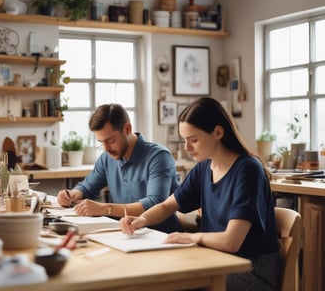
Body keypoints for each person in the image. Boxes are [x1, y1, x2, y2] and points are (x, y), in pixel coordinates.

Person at [120, 97, 282, 291]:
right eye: (184, 140)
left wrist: (193, 238)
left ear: (218, 133)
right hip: (217, 261)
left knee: (168, 284)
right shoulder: (204, 168)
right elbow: (167, 206)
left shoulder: (248, 170)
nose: (187, 147)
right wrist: (141, 220)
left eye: (193, 140)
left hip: (252, 272)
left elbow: (231, 241)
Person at [57, 103, 181, 233]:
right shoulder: (107, 157)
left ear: (127, 129)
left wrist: (106, 208)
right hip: (124, 233)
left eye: (110, 141)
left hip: (160, 236)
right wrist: (71, 195)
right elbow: (87, 187)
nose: (105, 148)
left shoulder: (159, 157)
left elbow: (154, 203)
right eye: (101, 143)